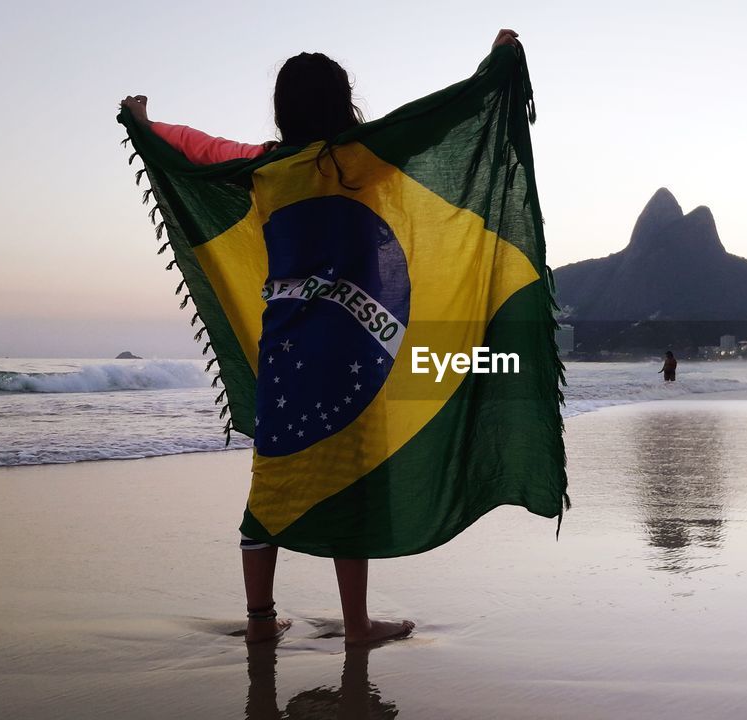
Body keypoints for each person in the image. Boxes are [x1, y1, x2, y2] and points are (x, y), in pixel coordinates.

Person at [119, 28, 522, 646]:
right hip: (359, 355)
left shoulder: (266, 168)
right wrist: (493, 65)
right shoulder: (369, 160)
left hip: (286, 354)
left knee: (273, 484)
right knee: (353, 486)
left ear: (283, 110)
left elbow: (200, 150)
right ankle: (358, 624)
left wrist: (146, 124)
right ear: (344, 102)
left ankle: (260, 622)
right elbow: (438, 121)